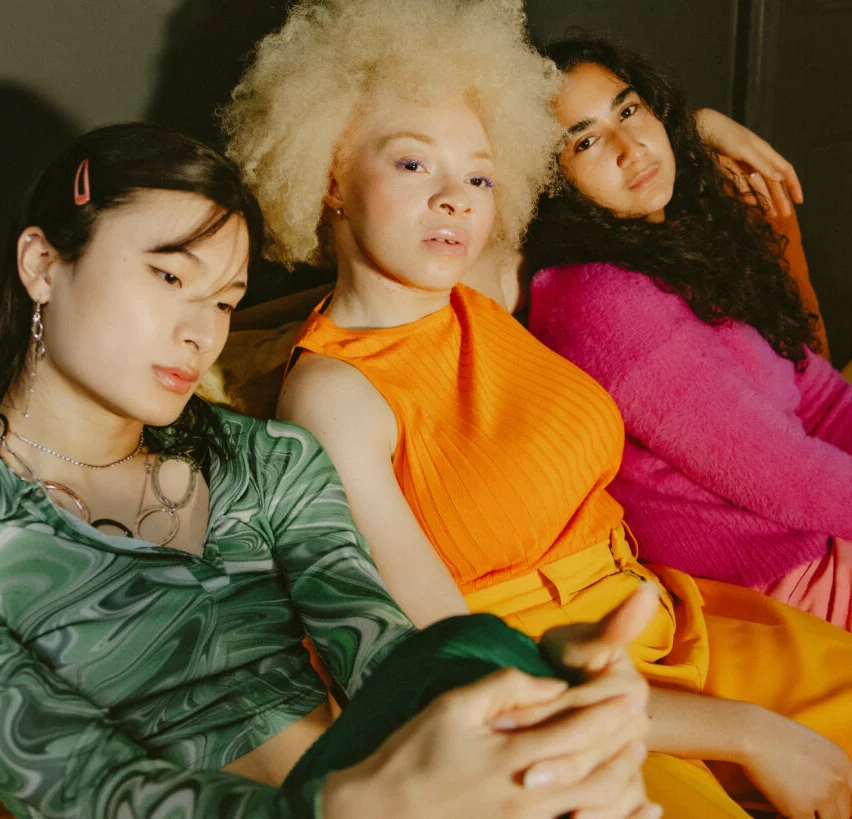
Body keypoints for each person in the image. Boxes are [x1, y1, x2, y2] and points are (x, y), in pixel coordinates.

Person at [0, 123, 660, 819]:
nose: (202, 331)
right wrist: (346, 805)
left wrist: (521, 681)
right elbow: (82, 786)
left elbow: (382, 652)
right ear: (44, 265)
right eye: (169, 276)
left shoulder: (267, 462)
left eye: (225, 300)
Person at [224, 0, 852, 815]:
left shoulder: (482, 288)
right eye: (413, 164)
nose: (457, 200)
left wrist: (692, 128)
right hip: (552, 698)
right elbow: (456, 661)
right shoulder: (331, 394)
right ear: (330, 176)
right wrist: (752, 734)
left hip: (679, 621)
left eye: (480, 176)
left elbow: (603, 185)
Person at [522, 37, 852, 630]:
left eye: (629, 110)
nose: (631, 149)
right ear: (550, 179)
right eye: (585, 141)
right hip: (787, 578)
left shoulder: (670, 241)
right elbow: (780, 473)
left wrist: (699, 125)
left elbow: (819, 395)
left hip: (821, 531)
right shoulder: (602, 301)